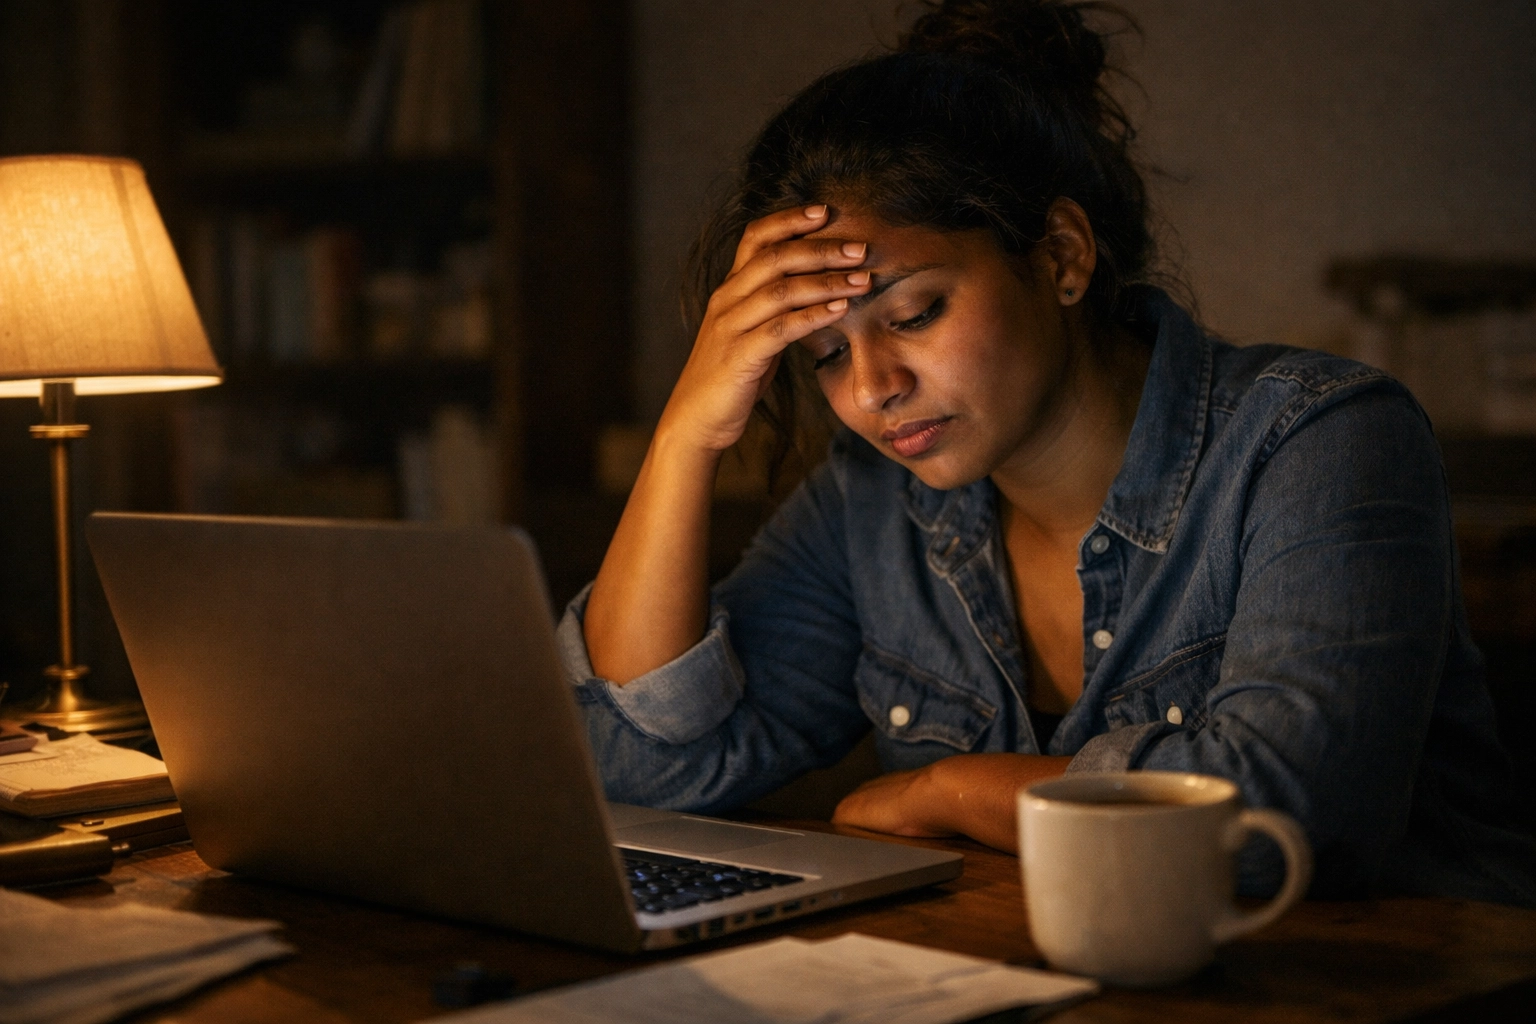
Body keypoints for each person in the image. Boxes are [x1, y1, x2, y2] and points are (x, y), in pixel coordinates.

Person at [557, 0, 1535, 903]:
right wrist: (685, 437)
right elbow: (641, 772)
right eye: (822, 354)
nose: (870, 388)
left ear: (1062, 257)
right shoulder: (868, 501)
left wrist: (952, 790)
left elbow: (1288, 817)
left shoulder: (1318, 438)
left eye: (914, 313)